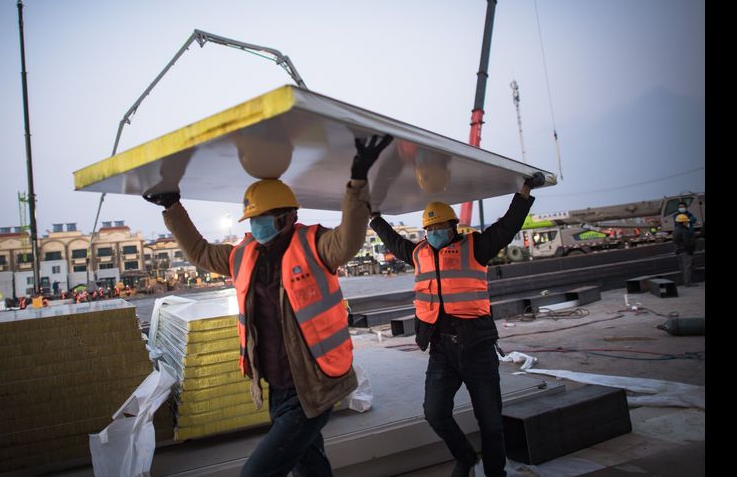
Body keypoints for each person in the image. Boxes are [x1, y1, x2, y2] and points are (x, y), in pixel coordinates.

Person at [143, 134, 392, 476]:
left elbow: (350, 236)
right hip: (276, 388)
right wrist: (173, 207)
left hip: (314, 388)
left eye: (264, 217)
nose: (256, 225)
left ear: (288, 216)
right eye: (253, 218)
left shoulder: (316, 246)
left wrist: (357, 182)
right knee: (311, 467)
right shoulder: (244, 254)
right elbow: (200, 251)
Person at [369, 172, 544, 477]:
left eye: (439, 227)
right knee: (434, 412)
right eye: (429, 228)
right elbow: (393, 241)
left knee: (490, 423)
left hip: (477, 347)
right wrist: (375, 219)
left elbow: (507, 227)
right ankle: (465, 458)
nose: (434, 232)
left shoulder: (476, 247)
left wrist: (524, 193)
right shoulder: (418, 253)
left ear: (453, 227)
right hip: (441, 350)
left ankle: (495, 474)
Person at [673, 213, 696, 286]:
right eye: (686, 222)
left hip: (678, 251)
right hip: (685, 251)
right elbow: (687, 243)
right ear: (683, 222)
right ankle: (688, 283)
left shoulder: (675, 230)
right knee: (687, 267)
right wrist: (690, 251)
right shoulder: (684, 231)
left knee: (682, 268)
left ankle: (686, 281)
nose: (687, 223)